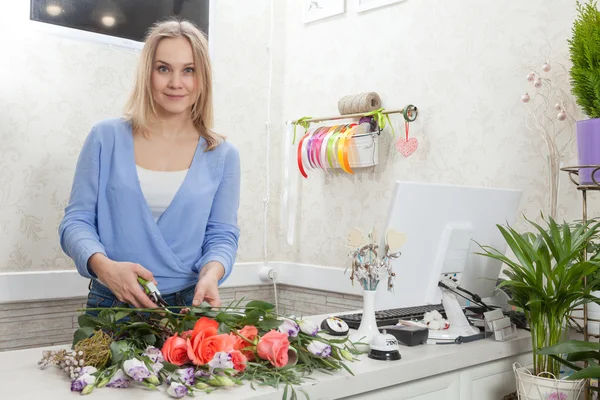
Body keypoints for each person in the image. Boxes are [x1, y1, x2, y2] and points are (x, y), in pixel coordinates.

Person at [59, 19, 240, 314]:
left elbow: (222, 234)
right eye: (163, 68)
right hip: (111, 302)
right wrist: (104, 268)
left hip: (187, 306)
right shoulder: (105, 137)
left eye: (189, 70)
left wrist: (212, 273)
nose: (175, 83)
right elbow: (75, 222)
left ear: (202, 77)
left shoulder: (222, 154)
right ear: (148, 73)